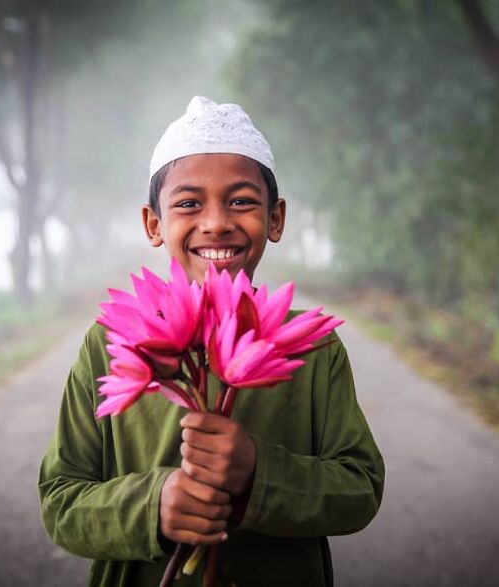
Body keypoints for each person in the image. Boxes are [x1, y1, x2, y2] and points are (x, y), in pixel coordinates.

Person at [38, 96, 384, 586]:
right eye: (187, 204)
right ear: (154, 224)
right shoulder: (109, 339)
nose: (217, 222)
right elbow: (61, 499)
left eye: (242, 200)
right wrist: (155, 504)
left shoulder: (317, 348)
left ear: (276, 218)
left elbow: (361, 488)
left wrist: (257, 474)